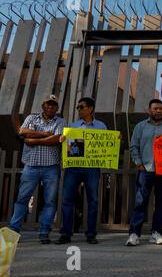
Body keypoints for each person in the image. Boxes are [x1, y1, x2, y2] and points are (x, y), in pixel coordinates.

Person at [8, 95, 65, 244]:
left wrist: (34, 139)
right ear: (43, 105)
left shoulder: (60, 121)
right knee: (22, 198)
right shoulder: (31, 118)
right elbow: (23, 134)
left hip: (51, 167)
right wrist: (45, 134)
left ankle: (44, 232)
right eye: (48, 104)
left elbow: (57, 139)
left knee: (50, 201)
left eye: (53, 105)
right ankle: (14, 231)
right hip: (30, 166)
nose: (50, 107)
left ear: (57, 108)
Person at [55, 97, 107, 245]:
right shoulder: (73, 126)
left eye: (81, 107)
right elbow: (69, 147)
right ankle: (66, 233)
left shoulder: (101, 126)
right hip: (73, 168)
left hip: (92, 168)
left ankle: (91, 234)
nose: (78, 110)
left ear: (90, 108)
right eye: (78, 107)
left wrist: (116, 140)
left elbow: (106, 146)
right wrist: (63, 140)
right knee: (67, 200)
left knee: (93, 201)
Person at [125, 99, 162, 246]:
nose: (158, 111)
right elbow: (134, 146)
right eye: (155, 109)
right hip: (145, 170)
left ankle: (156, 232)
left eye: (161, 109)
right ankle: (134, 233)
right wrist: (138, 163)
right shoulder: (140, 127)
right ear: (149, 110)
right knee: (140, 202)